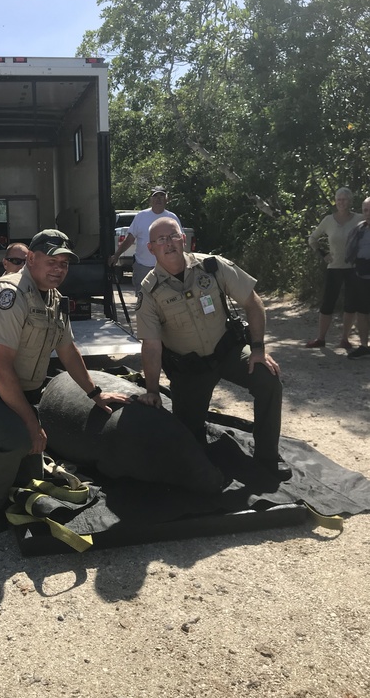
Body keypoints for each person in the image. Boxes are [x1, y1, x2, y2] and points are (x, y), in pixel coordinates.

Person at [0, 229, 129, 533]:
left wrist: (95, 393)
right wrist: (31, 423)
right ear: (31, 259)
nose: (59, 269)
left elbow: (68, 350)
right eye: (52, 261)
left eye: (64, 264)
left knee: (27, 473)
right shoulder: (8, 296)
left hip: (19, 392)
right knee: (17, 442)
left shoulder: (54, 299)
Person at [135, 217, 289, 481]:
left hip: (227, 352)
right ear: (151, 249)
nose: (168, 243)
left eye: (173, 236)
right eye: (160, 240)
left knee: (268, 378)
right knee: (189, 439)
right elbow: (151, 346)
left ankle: (267, 455)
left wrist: (258, 349)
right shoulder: (149, 292)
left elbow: (253, 303)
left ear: (184, 239)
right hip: (189, 369)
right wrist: (151, 391)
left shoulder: (213, 266)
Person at [305, 187, 363, 349]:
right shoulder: (328, 220)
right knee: (327, 304)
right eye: (338, 199)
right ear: (335, 201)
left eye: (344, 199)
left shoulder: (359, 219)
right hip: (334, 267)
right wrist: (323, 254)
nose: (341, 202)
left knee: (351, 304)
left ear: (350, 201)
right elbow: (312, 239)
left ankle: (344, 339)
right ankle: (320, 338)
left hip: (353, 268)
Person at [108, 186, 183, 294]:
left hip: (167, 267)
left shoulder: (172, 218)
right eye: (155, 196)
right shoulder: (141, 216)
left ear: (167, 199)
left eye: (161, 196)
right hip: (143, 266)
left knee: (167, 299)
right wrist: (116, 255)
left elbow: (180, 241)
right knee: (143, 299)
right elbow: (130, 239)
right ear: (150, 200)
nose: (158, 199)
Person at [345, 197, 370, 359]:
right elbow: (351, 251)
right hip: (361, 273)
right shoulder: (359, 229)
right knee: (362, 311)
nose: (368, 213)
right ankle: (364, 346)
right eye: (365, 210)